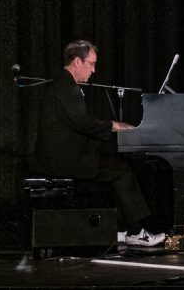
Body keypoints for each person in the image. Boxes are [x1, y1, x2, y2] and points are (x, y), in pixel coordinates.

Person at [33, 40, 165, 247]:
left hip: (65, 155)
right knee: (121, 169)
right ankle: (136, 231)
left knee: (118, 166)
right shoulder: (65, 86)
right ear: (77, 61)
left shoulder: (64, 83)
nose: (94, 70)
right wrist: (115, 125)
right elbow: (82, 122)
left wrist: (113, 127)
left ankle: (123, 229)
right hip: (63, 161)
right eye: (91, 64)